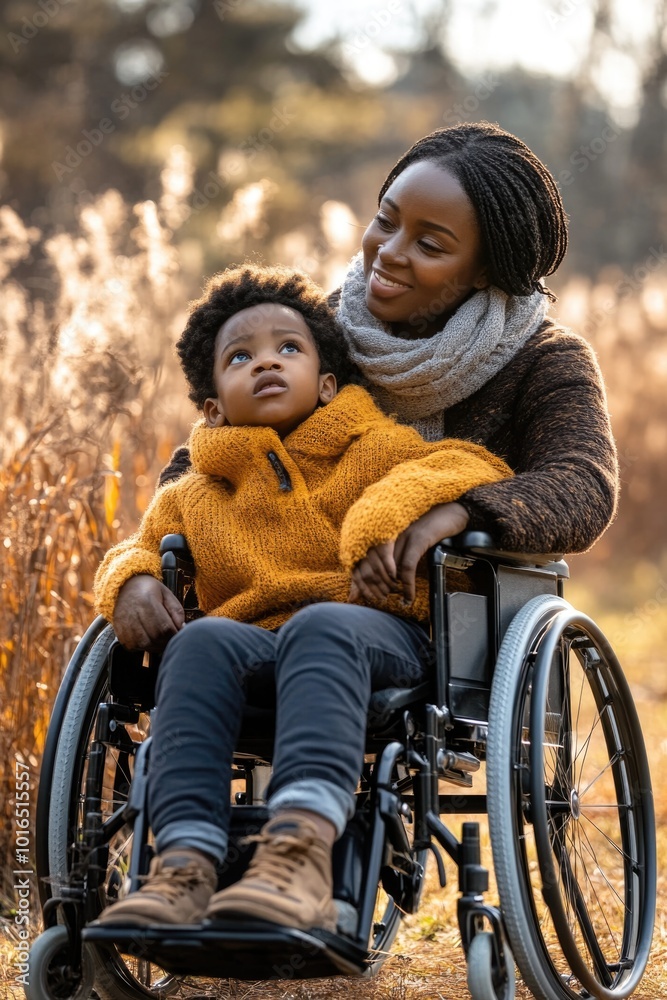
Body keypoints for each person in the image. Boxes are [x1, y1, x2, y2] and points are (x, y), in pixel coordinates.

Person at [93, 263, 511, 931]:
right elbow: (137, 547)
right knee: (199, 639)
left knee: (324, 626)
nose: (266, 363)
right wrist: (133, 581)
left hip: (375, 635)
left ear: (325, 384)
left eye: (287, 348)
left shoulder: (370, 448)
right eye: (241, 356)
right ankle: (184, 865)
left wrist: (382, 514)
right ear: (212, 406)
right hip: (256, 645)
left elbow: (471, 465)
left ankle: (300, 854)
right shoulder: (195, 493)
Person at [163, 121, 618, 583]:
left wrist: (460, 511)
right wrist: (142, 570)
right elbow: (204, 456)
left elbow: (582, 484)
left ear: (485, 270)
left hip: (461, 613)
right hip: (298, 590)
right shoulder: (319, 331)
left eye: (429, 244)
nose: (389, 252)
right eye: (385, 221)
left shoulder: (545, 359)